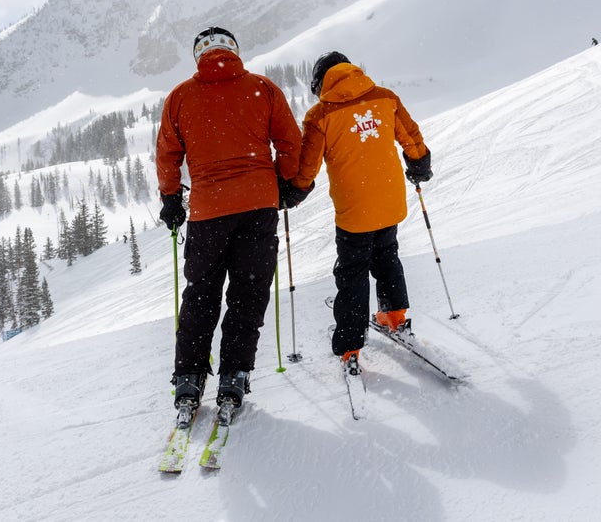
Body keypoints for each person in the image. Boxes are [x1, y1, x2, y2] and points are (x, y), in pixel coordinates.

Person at [156, 26, 303, 413]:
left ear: (198, 55)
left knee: (201, 294)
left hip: (208, 213)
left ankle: (188, 378)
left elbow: (167, 154)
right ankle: (234, 376)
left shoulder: (180, 97)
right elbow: (290, 141)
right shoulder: (262, 88)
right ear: (234, 50)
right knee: (247, 295)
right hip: (258, 207)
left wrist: (171, 198)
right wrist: (285, 182)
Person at [281, 51, 432, 373]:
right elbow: (411, 137)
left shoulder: (320, 116)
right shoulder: (385, 98)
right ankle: (394, 317)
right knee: (387, 255)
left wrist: (292, 192)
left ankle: (350, 345)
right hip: (390, 201)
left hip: (354, 210)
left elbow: (307, 169)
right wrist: (420, 164)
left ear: (321, 82)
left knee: (352, 273)